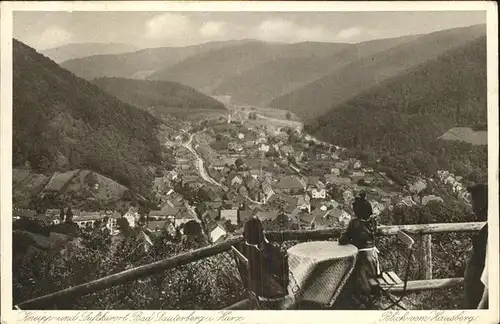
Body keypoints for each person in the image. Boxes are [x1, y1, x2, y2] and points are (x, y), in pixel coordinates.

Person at [339, 191, 380, 295]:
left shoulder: (355, 223)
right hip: (373, 260)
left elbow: (343, 240)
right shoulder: (373, 222)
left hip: (361, 260)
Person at [463, 184, 488, 309]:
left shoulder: (488, 231)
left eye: (472, 201)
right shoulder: (487, 228)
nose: (471, 206)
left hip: (479, 282)